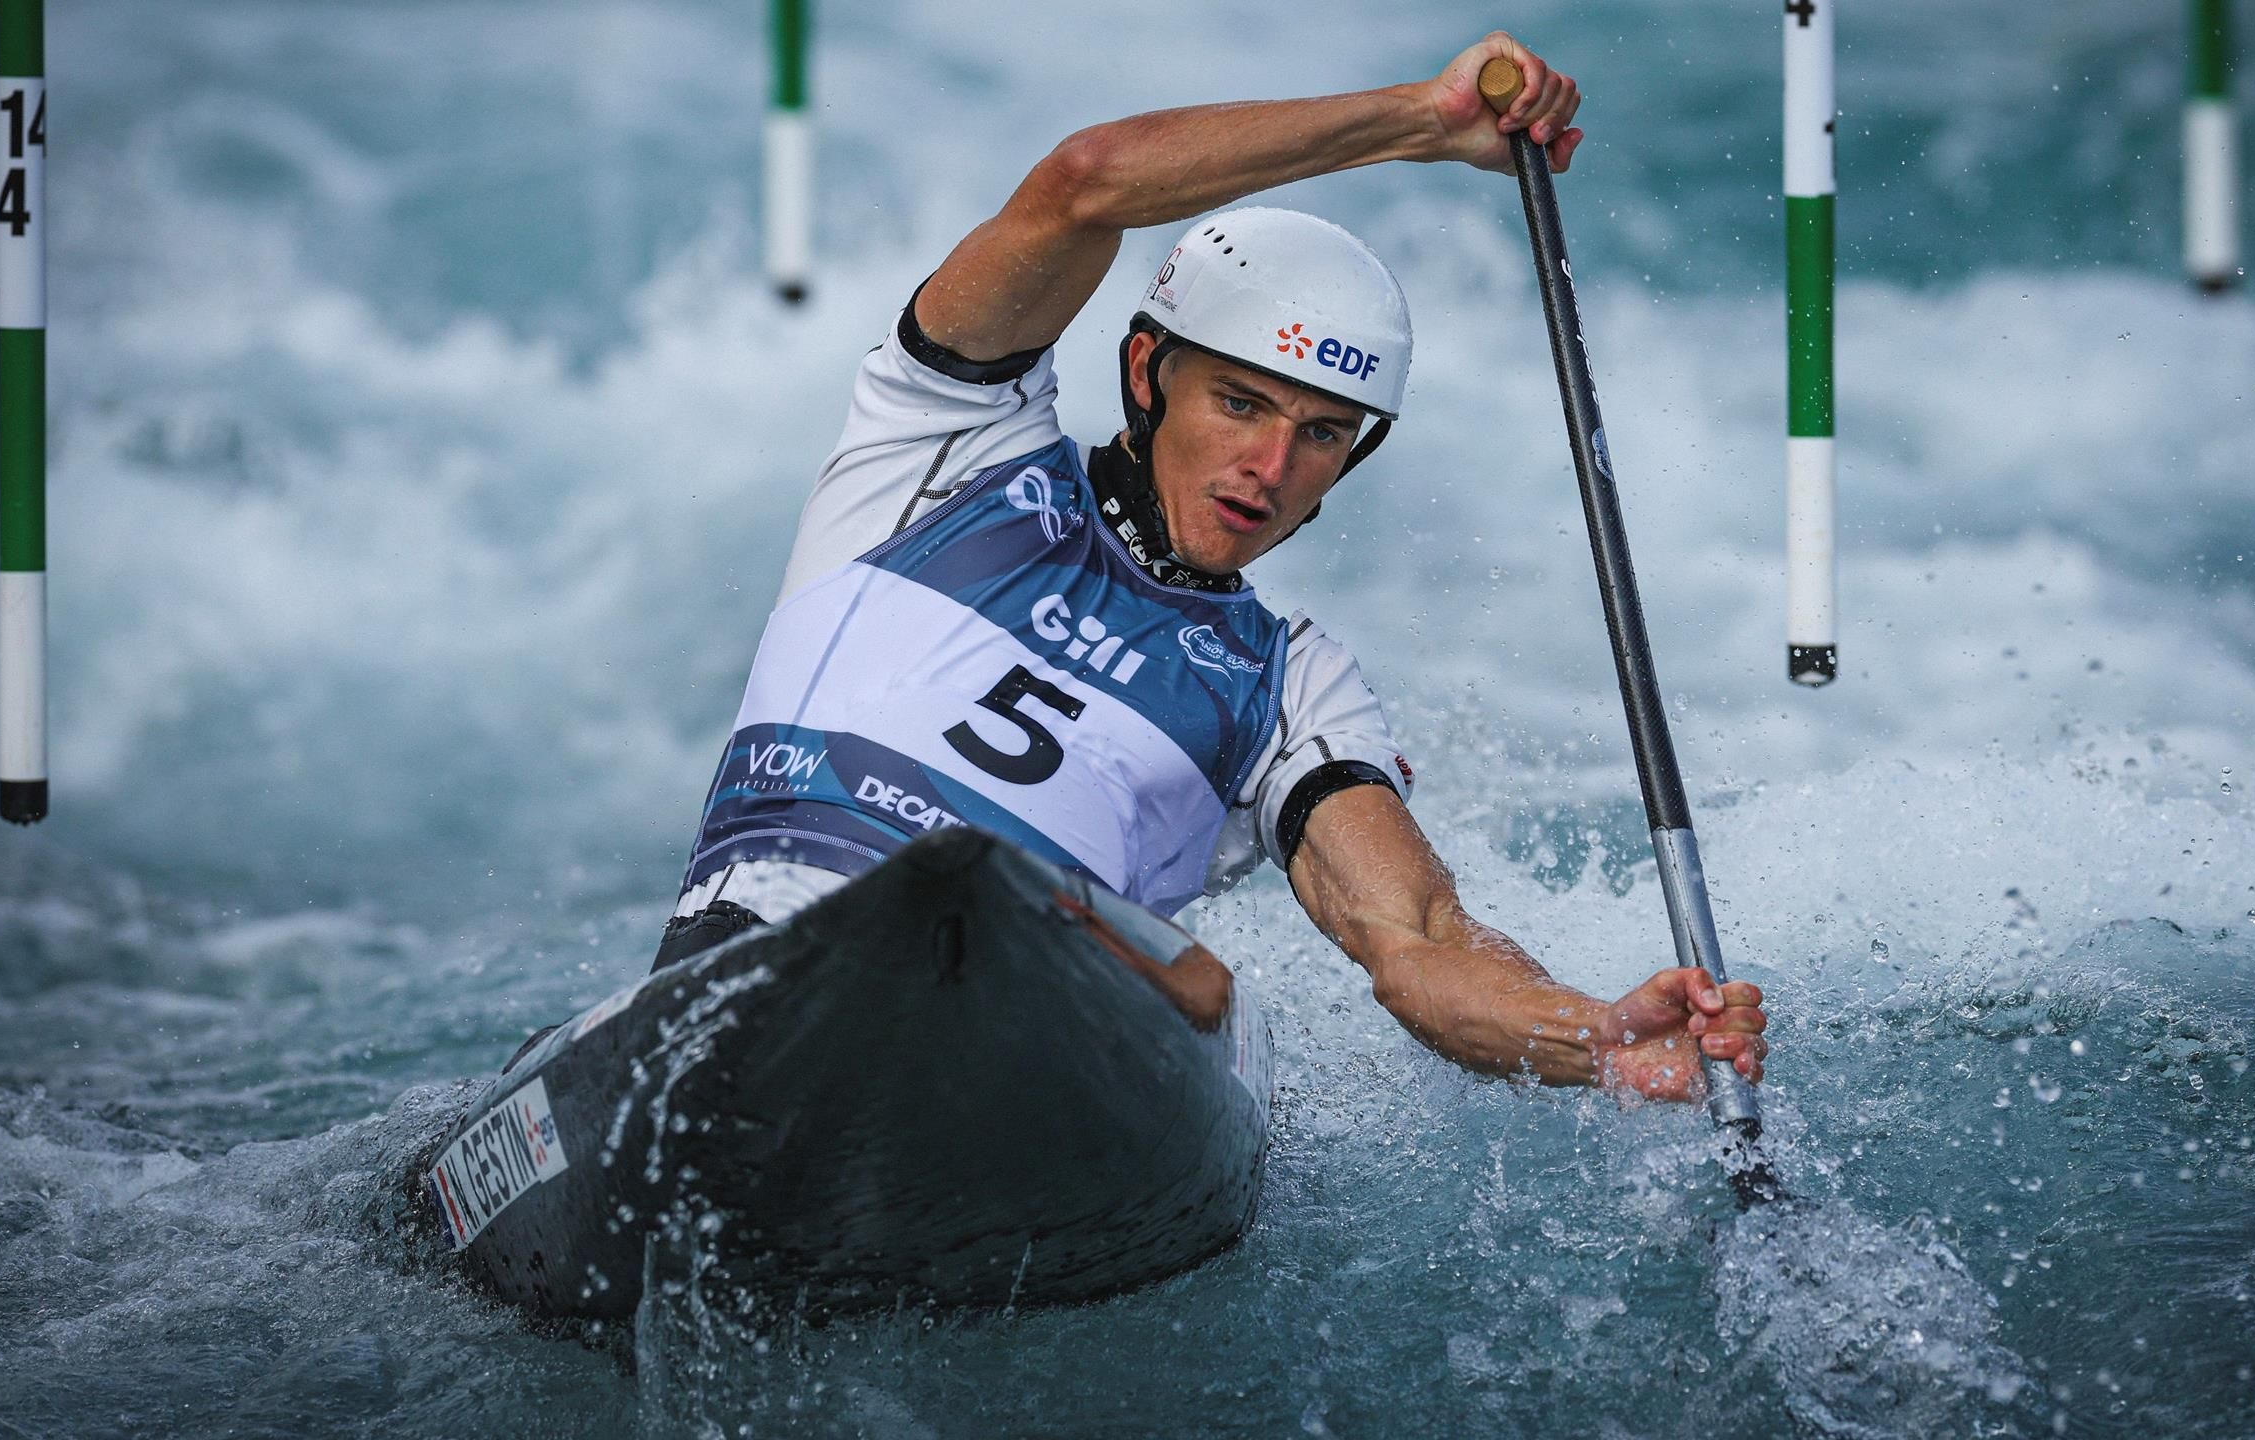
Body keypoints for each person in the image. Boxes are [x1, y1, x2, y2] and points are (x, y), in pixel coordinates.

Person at [662, 32, 1766, 1103]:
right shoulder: (945, 444)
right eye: (1240, 404)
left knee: (1169, 984)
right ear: (1148, 372)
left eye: (1324, 434)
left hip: (1011, 1051)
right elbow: (1084, 183)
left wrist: (1600, 1042)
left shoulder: (1288, 690)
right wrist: (1419, 121)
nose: (1271, 466)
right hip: (757, 961)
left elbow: (1417, 940)